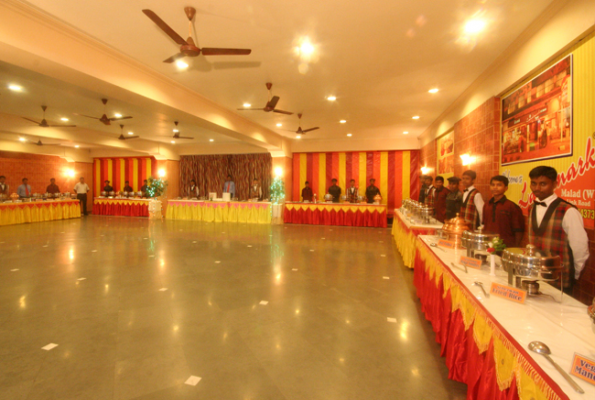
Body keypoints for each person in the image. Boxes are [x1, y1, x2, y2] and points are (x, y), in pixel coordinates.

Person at [527, 166, 589, 293]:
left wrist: (573, 274)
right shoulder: (531, 208)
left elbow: (580, 247)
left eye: (543, 184)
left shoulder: (568, 211)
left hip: (559, 279)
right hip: (535, 277)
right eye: (533, 183)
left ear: (555, 184)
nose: (537, 188)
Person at [482, 175, 525, 247]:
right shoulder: (486, 205)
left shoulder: (511, 206)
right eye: (493, 185)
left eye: (499, 185)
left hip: (506, 245)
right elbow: (484, 225)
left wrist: (516, 247)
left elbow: (518, 230)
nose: (495, 187)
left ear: (506, 188)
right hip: (488, 244)